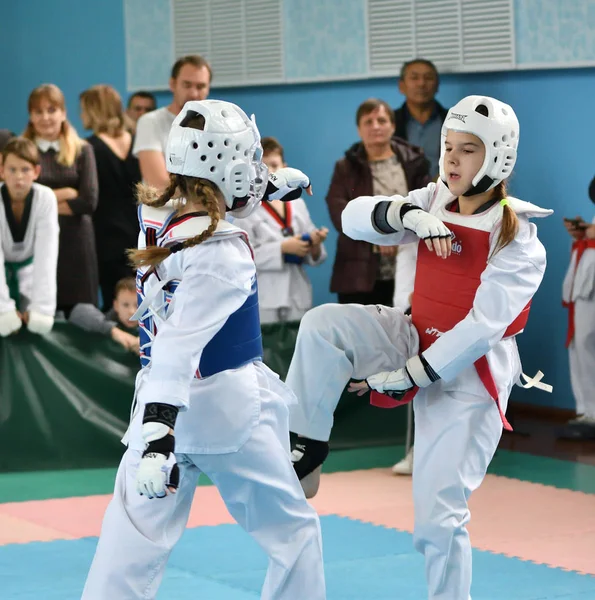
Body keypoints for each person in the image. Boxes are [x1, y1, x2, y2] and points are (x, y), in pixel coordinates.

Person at [286, 95, 552, 599]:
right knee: (323, 325)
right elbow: (352, 218)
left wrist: (414, 374)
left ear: (497, 159)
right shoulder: (432, 200)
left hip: (471, 380)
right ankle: (307, 449)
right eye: (448, 148)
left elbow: (482, 326)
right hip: (414, 333)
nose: (451, 159)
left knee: (437, 521)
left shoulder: (517, 237)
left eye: (467, 150)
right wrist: (402, 213)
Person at [81, 100, 326, 600]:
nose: (257, 175)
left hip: (156, 406)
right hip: (222, 412)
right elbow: (179, 345)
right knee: (295, 535)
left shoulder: (157, 213)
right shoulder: (222, 252)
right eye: (250, 166)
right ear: (230, 170)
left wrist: (274, 182)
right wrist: (158, 437)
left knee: (127, 548)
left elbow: (210, 194)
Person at [327, 98, 429, 307]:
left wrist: (398, 236)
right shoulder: (346, 167)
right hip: (361, 273)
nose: (375, 126)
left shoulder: (414, 162)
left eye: (382, 120)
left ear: (392, 126)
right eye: (368, 121)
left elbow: (427, 206)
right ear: (359, 129)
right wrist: (377, 238)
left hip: (409, 266)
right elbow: (339, 211)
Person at [23, 83, 99, 313]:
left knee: (82, 314)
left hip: (76, 243)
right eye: (39, 111)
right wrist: (67, 193)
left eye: (52, 110)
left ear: (63, 113)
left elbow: (88, 201)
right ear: (31, 116)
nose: (45, 117)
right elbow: (20, 200)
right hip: (34, 241)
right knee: (40, 312)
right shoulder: (21, 152)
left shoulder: (82, 150)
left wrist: (41, 201)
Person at [240, 136, 328, 324]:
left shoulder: (297, 203)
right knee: (268, 351)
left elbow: (317, 257)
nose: (269, 173)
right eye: (261, 168)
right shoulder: (245, 209)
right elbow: (242, 255)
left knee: (300, 349)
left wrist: (315, 244)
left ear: (285, 168)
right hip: (265, 298)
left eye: (274, 165)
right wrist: (282, 248)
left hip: (298, 295)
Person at [80, 84, 142, 309]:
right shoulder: (138, 141)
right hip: (139, 231)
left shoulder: (88, 147)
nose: (81, 115)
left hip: (105, 236)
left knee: (114, 304)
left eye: (83, 109)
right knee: (142, 300)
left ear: (94, 110)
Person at [0, 137, 59, 337]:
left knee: (36, 325)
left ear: (36, 172)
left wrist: (42, 309)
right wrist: (3, 310)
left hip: (30, 272)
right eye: (12, 169)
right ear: (1, 171)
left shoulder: (46, 198)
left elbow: (47, 256)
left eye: (25, 169)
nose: (19, 177)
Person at [133, 55, 211, 190]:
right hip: (164, 210)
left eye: (200, 86)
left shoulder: (214, 126)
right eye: (187, 85)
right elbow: (158, 184)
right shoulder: (150, 122)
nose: (193, 93)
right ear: (172, 84)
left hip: (202, 209)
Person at [561, 187, 595, 440]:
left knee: (587, 344)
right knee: (579, 346)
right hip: (584, 285)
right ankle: (586, 411)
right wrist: (581, 233)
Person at [393, 58, 449, 179]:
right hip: (403, 195)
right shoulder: (389, 123)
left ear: (437, 85)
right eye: (414, 78)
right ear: (401, 86)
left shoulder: (454, 120)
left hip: (447, 192)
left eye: (428, 78)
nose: (421, 83)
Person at [68, 277, 139, 353]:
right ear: (116, 305)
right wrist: (113, 330)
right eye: (125, 305)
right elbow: (79, 311)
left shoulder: (151, 329)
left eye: (138, 306)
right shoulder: (106, 320)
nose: (132, 312)